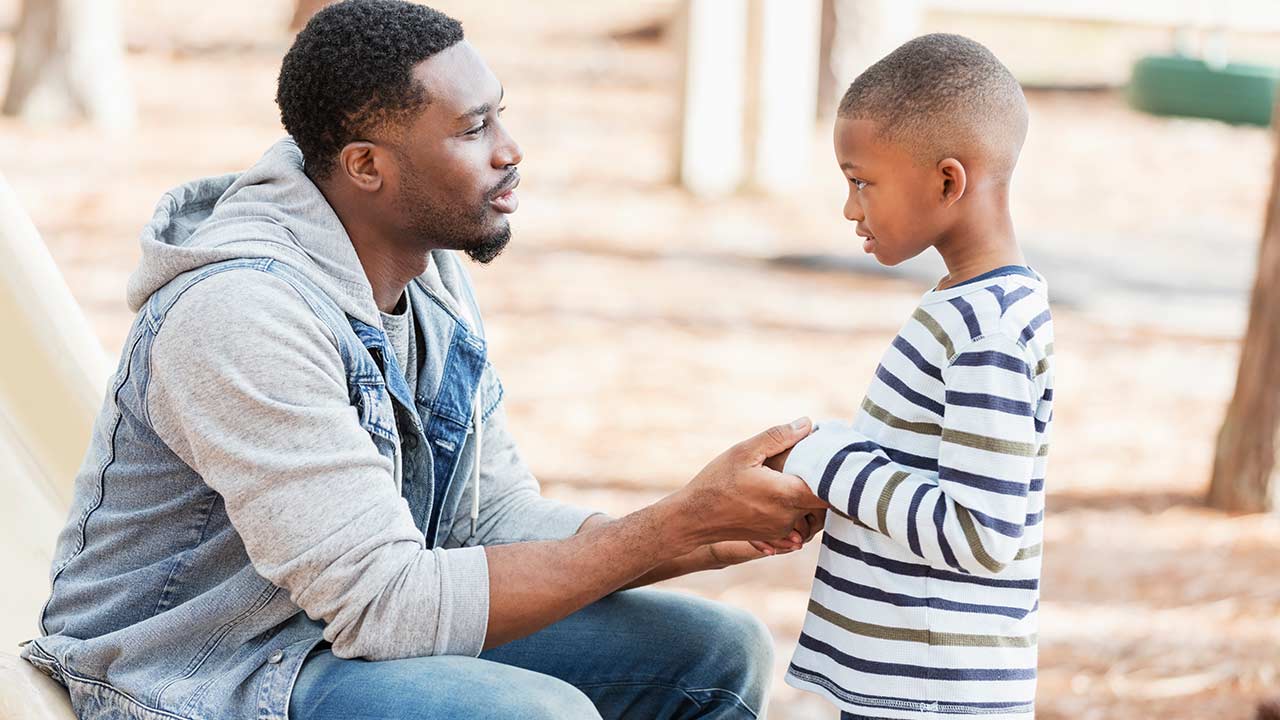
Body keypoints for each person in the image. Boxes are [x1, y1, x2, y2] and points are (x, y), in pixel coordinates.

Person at [20, 2, 828, 718]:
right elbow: (385, 607)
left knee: (718, 654)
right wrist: (664, 531)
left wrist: (703, 531)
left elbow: (488, 520)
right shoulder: (240, 315)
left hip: (334, 635)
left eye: (500, 116)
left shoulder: (426, 266)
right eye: (474, 129)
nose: (511, 151)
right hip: (196, 674)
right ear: (368, 166)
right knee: (531, 714)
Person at [767, 34, 1056, 720]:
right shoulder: (968, 306)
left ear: (948, 181)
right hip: (911, 684)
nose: (849, 208)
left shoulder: (988, 330)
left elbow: (982, 532)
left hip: (932, 695)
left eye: (861, 181)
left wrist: (829, 459)